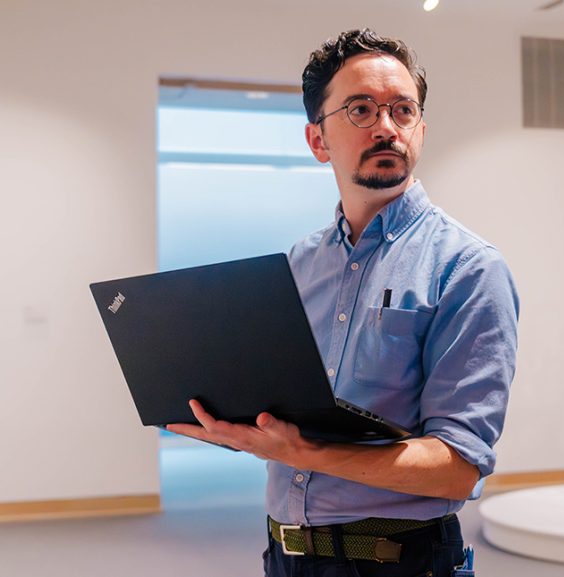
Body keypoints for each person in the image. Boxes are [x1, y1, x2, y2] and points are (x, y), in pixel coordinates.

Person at [166, 28, 519, 577]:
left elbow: (458, 467)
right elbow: (281, 413)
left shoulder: (468, 268)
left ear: (420, 129)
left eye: (402, 110)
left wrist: (302, 453)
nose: (386, 127)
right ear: (317, 141)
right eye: (360, 109)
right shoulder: (299, 263)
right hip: (284, 557)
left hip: (400, 563)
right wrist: (236, 423)